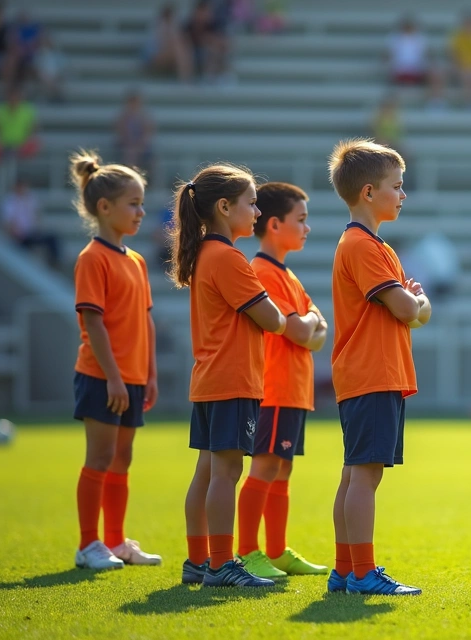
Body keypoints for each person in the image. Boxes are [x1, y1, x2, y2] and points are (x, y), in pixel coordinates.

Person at [170, 164, 288, 588]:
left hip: (209, 379)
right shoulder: (228, 257)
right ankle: (221, 563)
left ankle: (198, 559)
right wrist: (284, 315)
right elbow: (273, 319)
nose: (257, 212)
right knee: (227, 473)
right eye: (251, 203)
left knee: (206, 471)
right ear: (224, 206)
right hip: (232, 380)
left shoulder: (205, 253)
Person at [327, 139, 429, 596]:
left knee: (355, 473)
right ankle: (363, 573)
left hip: (368, 372)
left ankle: (345, 570)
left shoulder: (369, 244)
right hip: (372, 372)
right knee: (365, 475)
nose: (403, 194)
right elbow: (407, 309)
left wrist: (410, 300)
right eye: (397, 185)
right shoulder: (362, 245)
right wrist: (418, 301)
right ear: (368, 192)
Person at [67, 151, 161, 570]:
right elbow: (94, 323)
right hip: (102, 378)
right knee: (100, 459)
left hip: (132, 379)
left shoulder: (136, 261)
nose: (141, 212)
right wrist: (114, 379)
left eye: (142, 203)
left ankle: (116, 541)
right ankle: (88, 544)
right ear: (105, 207)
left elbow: (145, 321)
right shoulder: (93, 258)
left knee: (123, 460)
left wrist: (149, 375)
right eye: (133, 204)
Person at [235, 182, 329, 579]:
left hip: (294, 390)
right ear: (274, 225)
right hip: (273, 388)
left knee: (282, 469)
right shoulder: (263, 272)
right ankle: (247, 551)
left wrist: (309, 324)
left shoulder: (287, 275)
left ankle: (276, 551)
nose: (307, 228)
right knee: (264, 466)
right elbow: (304, 330)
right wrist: (309, 323)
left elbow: (318, 332)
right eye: (301, 220)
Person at [0, 177, 59, 268]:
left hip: (32, 234)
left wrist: (38, 229)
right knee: (21, 246)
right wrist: (15, 234)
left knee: (52, 238)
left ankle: (54, 264)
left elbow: (37, 216)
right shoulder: (9, 202)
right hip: (19, 236)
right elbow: (7, 223)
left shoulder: (31, 198)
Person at [0, 84, 39, 164]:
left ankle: (15, 161)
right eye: (11, 96)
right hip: (2, 145)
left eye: (16, 96)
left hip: (22, 145)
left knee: (34, 145)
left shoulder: (28, 110)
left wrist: (24, 142)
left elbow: (34, 129)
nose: (13, 99)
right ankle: (3, 163)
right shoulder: (0, 110)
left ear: (20, 97)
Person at [143, 4, 193, 82]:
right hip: (154, 58)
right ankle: (186, 79)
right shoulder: (157, 28)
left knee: (183, 48)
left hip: (172, 56)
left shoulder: (175, 28)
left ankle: (186, 78)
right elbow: (154, 50)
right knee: (178, 48)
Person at [183, 0, 230, 83]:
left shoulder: (213, 25)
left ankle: (212, 77)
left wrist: (209, 40)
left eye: (207, 12)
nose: (206, 15)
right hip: (191, 54)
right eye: (203, 12)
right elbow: (184, 40)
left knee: (216, 48)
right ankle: (187, 79)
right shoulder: (189, 25)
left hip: (207, 53)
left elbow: (223, 42)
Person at [447, 11, 471, 106]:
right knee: (467, 75)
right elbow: (453, 56)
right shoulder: (457, 37)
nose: (469, 27)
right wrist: (464, 67)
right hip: (461, 67)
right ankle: (469, 101)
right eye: (467, 24)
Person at [115, 89, 155, 178]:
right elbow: (122, 134)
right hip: (126, 146)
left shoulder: (144, 117)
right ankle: (130, 177)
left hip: (142, 147)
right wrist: (131, 145)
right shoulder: (123, 118)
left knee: (152, 159)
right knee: (129, 154)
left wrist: (139, 145)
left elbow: (147, 134)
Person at [388, 15, 427, 85]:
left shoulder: (420, 39)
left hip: (416, 71)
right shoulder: (395, 39)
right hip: (400, 71)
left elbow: (424, 57)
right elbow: (390, 56)